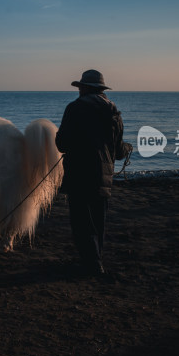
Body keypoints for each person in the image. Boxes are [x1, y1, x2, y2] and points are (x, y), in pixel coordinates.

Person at [55, 69, 130, 277]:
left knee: (81, 223)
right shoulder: (114, 112)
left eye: (80, 87)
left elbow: (62, 143)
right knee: (98, 223)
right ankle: (95, 261)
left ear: (85, 88)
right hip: (104, 177)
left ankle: (92, 265)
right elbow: (118, 152)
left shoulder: (75, 108)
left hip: (79, 175)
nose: (79, 91)